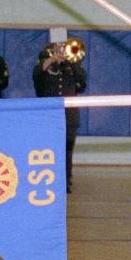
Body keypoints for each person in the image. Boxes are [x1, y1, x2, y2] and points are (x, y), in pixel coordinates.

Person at [32, 38, 89, 193]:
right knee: (49, 150)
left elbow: (82, 81)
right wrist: (51, 59)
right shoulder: (45, 64)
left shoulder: (72, 66)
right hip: (49, 115)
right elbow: (36, 76)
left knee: (67, 150)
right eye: (57, 48)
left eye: (63, 47)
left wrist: (70, 61)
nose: (61, 50)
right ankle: (49, 180)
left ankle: (65, 180)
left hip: (69, 115)